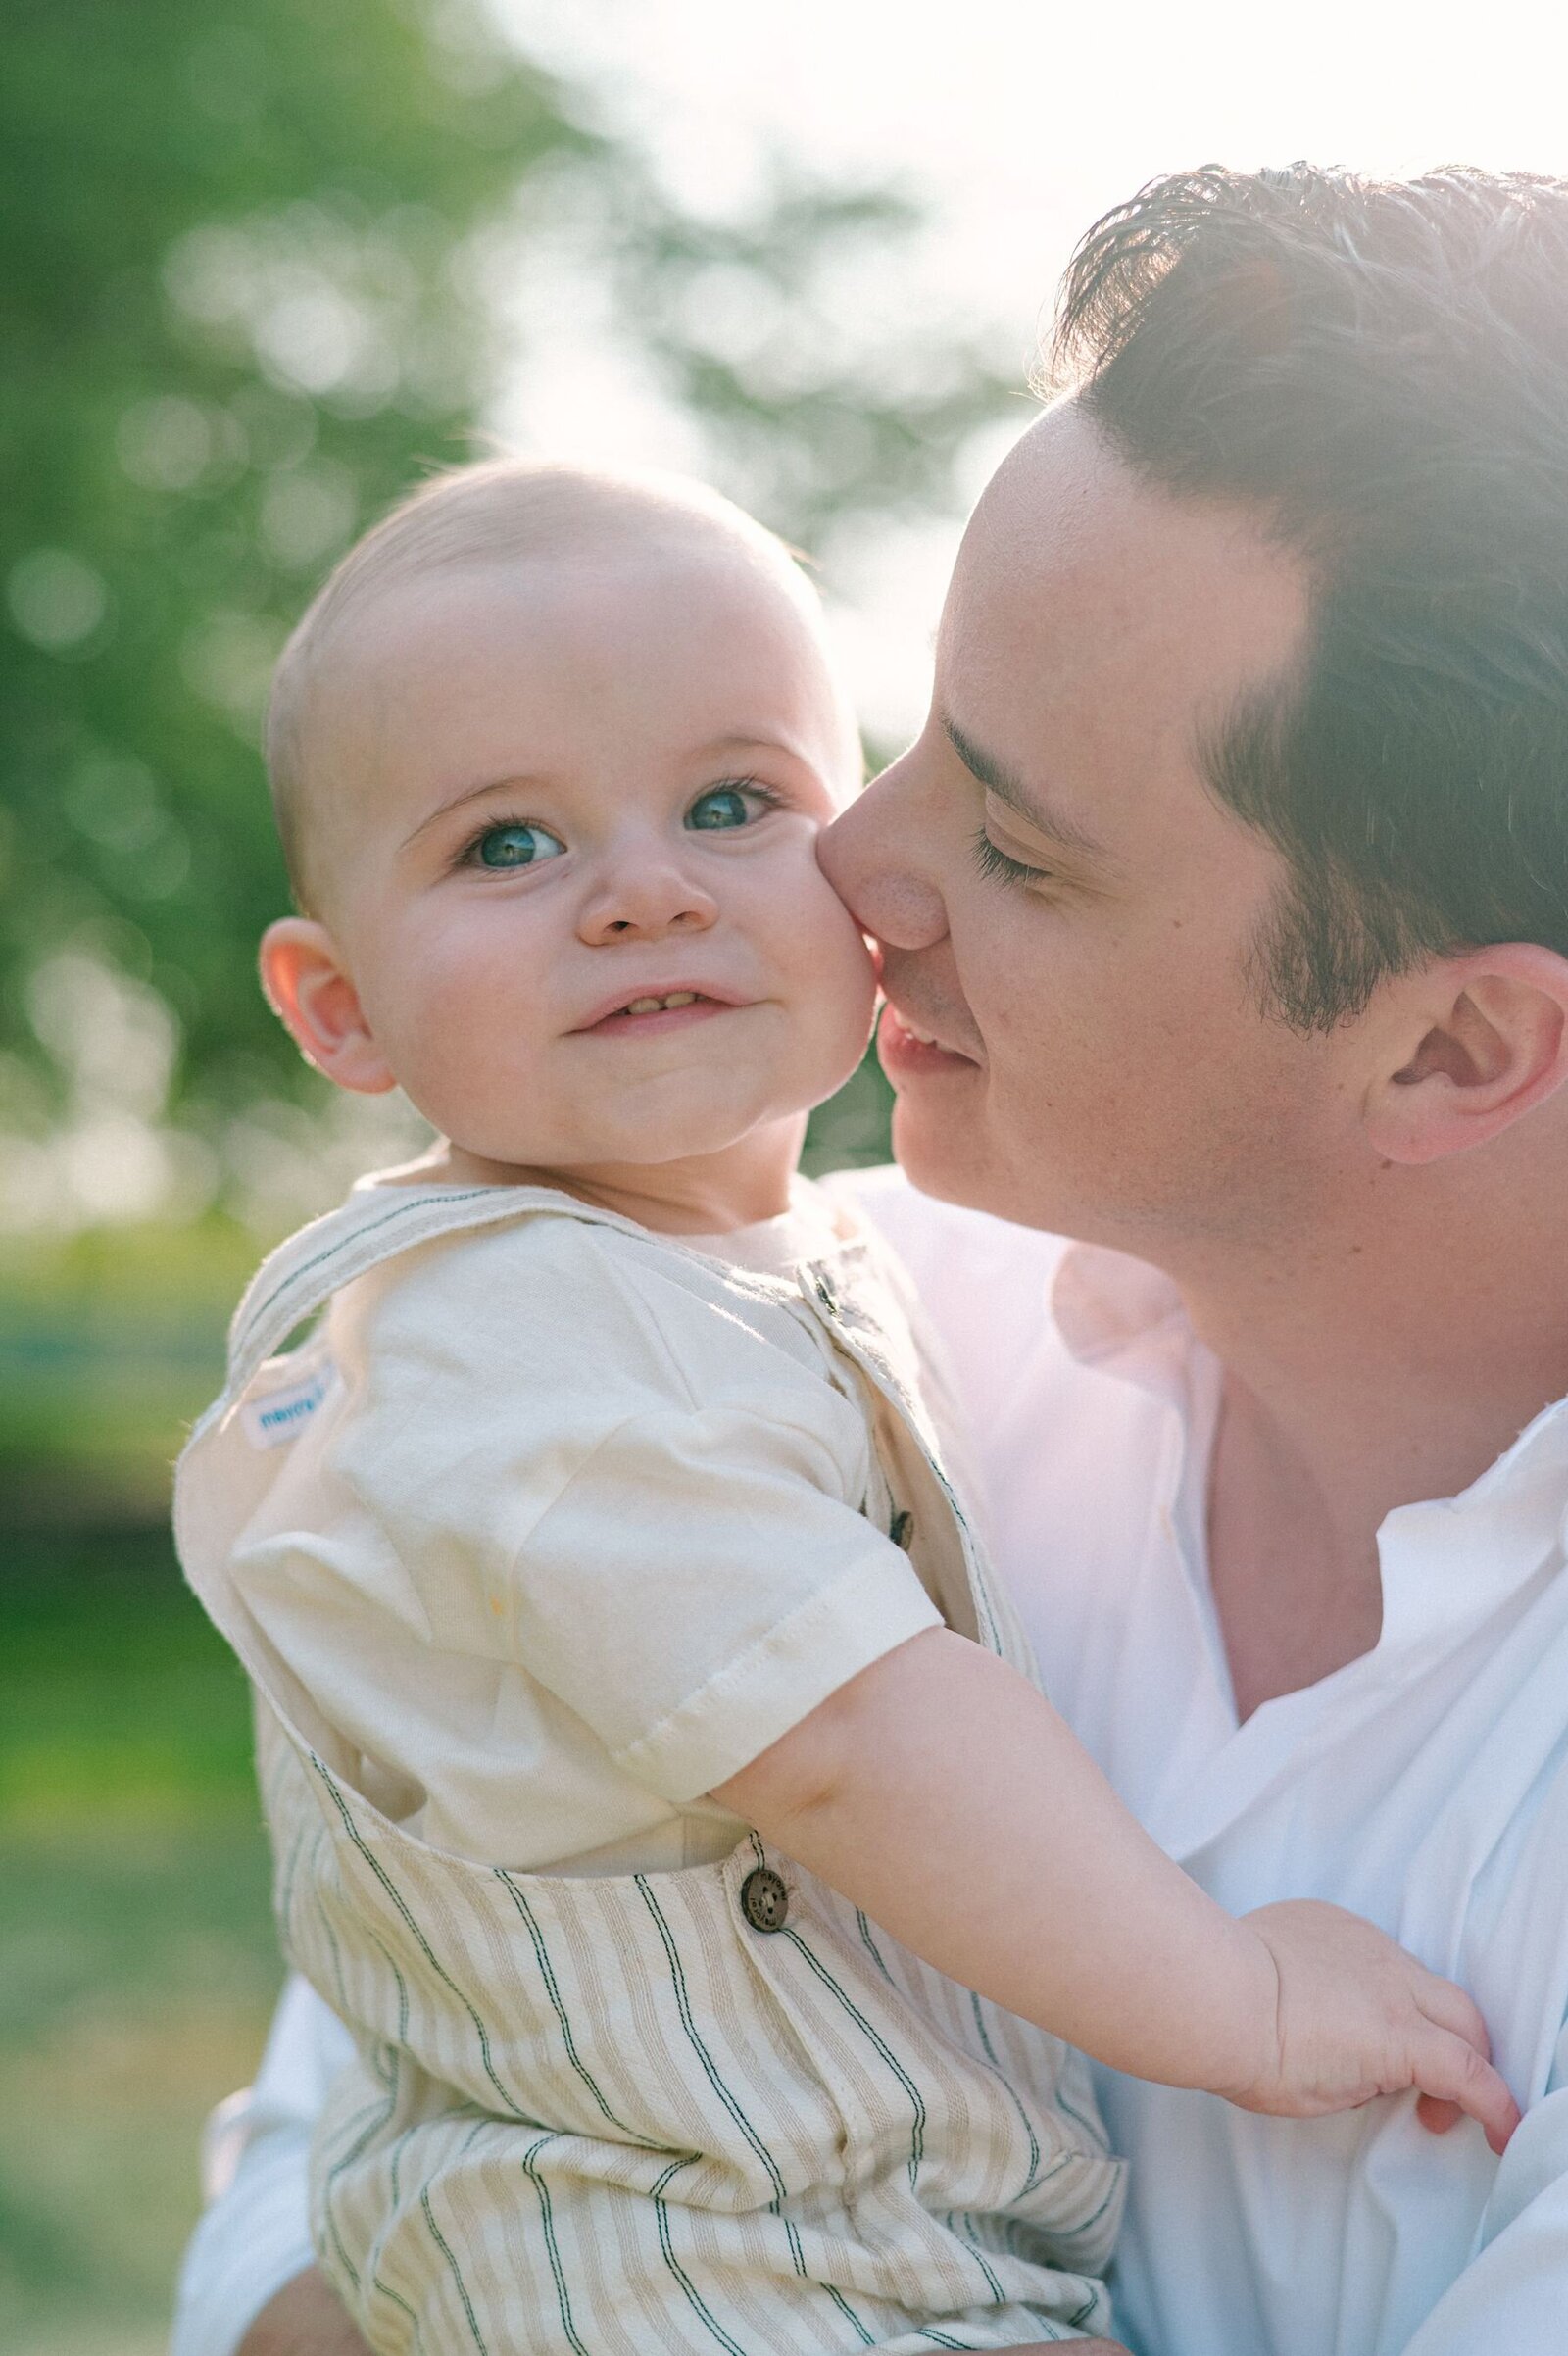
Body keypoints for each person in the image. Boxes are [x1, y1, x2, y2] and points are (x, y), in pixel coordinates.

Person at [172, 162, 1568, 2356]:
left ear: (1451, 1042)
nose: (855, 854)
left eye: (1009, 836)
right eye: (899, 733)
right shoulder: (789, 1324)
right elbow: (347, 2106)